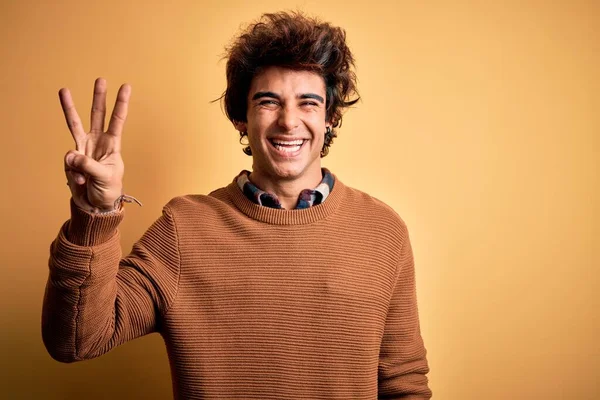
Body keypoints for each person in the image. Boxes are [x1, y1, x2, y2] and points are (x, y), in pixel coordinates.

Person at [42, 11, 432, 399]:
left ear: (330, 117)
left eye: (308, 103)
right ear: (240, 118)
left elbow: (404, 385)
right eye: (268, 102)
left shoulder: (382, 231)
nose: (289, 121)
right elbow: (77, 340)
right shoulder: (184, 228)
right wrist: (94, 214)